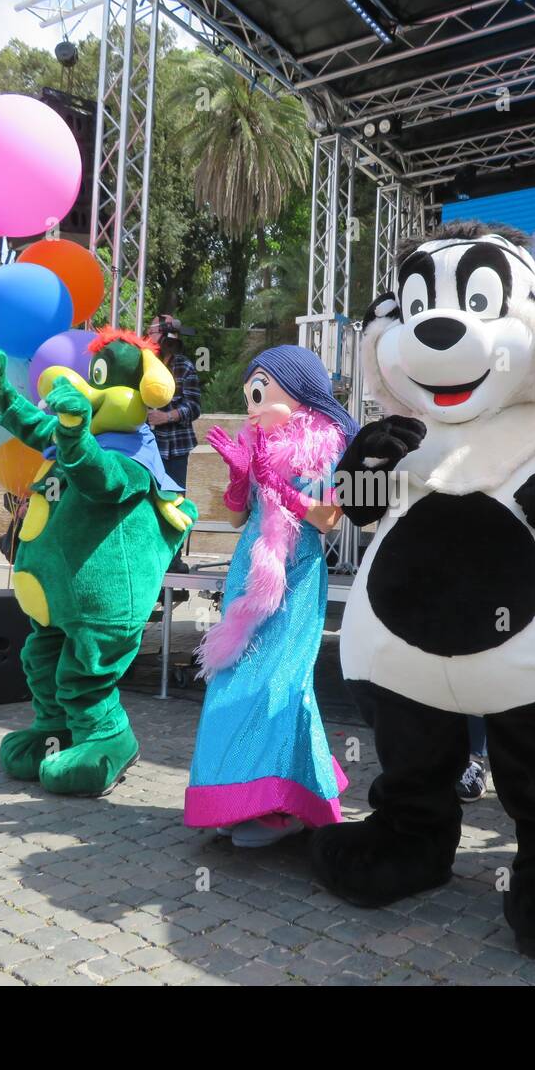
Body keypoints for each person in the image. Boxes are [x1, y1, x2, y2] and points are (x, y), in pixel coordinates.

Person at [185, 345, 356, 848]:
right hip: (249, 572)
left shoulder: (321, 447)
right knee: (234, 683)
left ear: (299, 392)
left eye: (261, 391)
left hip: (295, 577)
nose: (252, 405)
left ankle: (282, 804)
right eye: (249, 395)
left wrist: (278, 484)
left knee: (281, 683)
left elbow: (329, 519)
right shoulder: (255, 442)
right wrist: (241, 479)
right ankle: (234, 795)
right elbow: (239, 517)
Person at [143, 315, 201, 490]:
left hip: (176, 448)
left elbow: (194, 407)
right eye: (149, 331)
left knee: (174, 501)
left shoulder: (185, 366)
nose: (149, 335)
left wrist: (166, 417)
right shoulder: (141, 363)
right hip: (145, 445)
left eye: (153, 332)